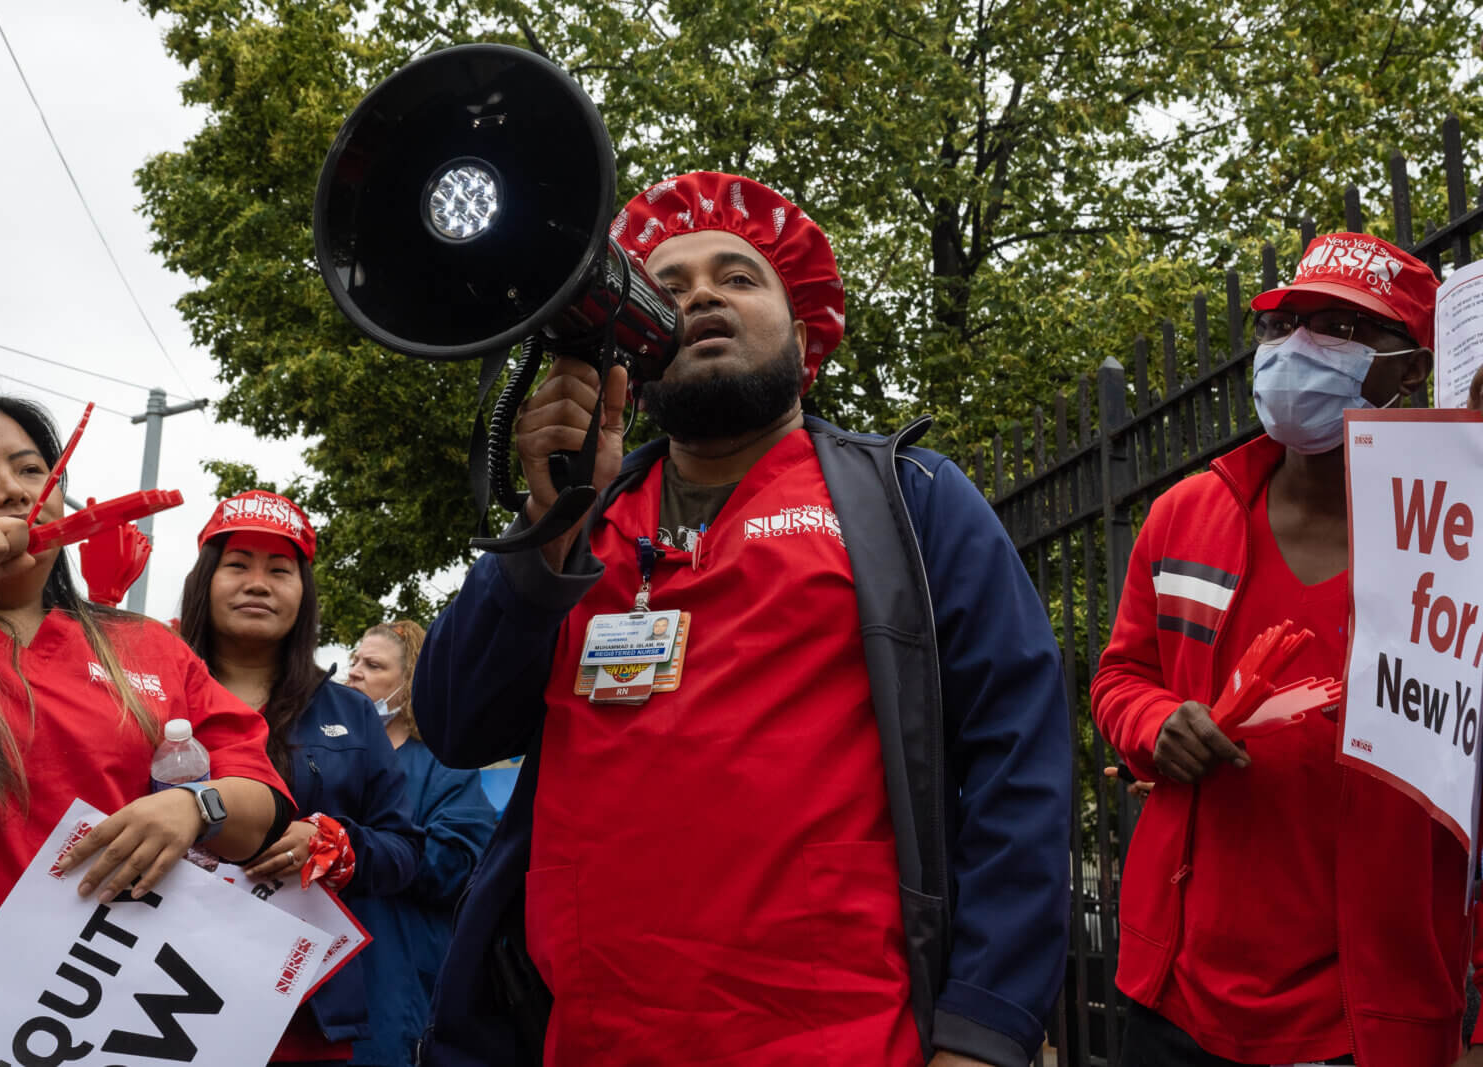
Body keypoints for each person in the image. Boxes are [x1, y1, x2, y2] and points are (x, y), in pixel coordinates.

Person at [413, 173, 1071, 1067]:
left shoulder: (913, 502)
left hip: (846, 1039)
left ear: (804, 337)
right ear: (630, 343)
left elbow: (1020, 762)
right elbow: (455, 723)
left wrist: (984, 1029)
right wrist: (546, 525)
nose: (702, 298)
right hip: (591, 1038)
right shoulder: (583, 515)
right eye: (669, 287)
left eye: (738, 278)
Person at [1092, 231, 1483, 1067]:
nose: (1299, 348)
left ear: (1408, 370)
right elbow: (1122, 674)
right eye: (1285, 324)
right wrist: (1154, 722)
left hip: (1365, 1021)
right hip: (1176, 1002)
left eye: (1341, 327)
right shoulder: (1185, 514)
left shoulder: (1459, 545)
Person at [0, 390, 290, 1061]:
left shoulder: (150, 649)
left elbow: (262, 801)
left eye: (31, 469)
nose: (13, 492)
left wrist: (195, 805)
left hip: (104, 1029)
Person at [176, 491, 427, 1066]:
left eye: (280, 570)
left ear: (303, 594)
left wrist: (339, 846)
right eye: (237, 565)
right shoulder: (149, 691)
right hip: (151, 987)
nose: (258, 583)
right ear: (204, 581)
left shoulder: (350, 712)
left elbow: (404, 850)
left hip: (303, 1007)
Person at [343, 619, 496, 1067]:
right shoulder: (320, 757)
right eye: (354, 660)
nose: (354, 671)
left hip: (395, 981)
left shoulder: (443, 769)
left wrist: (362, 848)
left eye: (372, 665)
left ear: (408, 685)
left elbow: (459, 866)